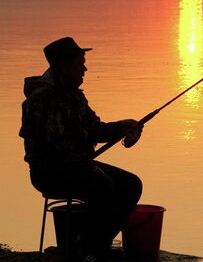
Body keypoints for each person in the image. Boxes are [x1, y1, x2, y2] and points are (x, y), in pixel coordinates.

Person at [19, 37, 144, 262]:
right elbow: (55, 145)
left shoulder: (75, 96)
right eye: (80, 63)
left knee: (131, 184)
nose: (85, 69)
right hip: (49, 171)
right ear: (63, 66)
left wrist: (124, 127)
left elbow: (94, 129)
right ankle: (90, 249)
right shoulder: (40, 100)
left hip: (77, 165)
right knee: (102, 184)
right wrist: (83, 150)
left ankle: (95, 244)